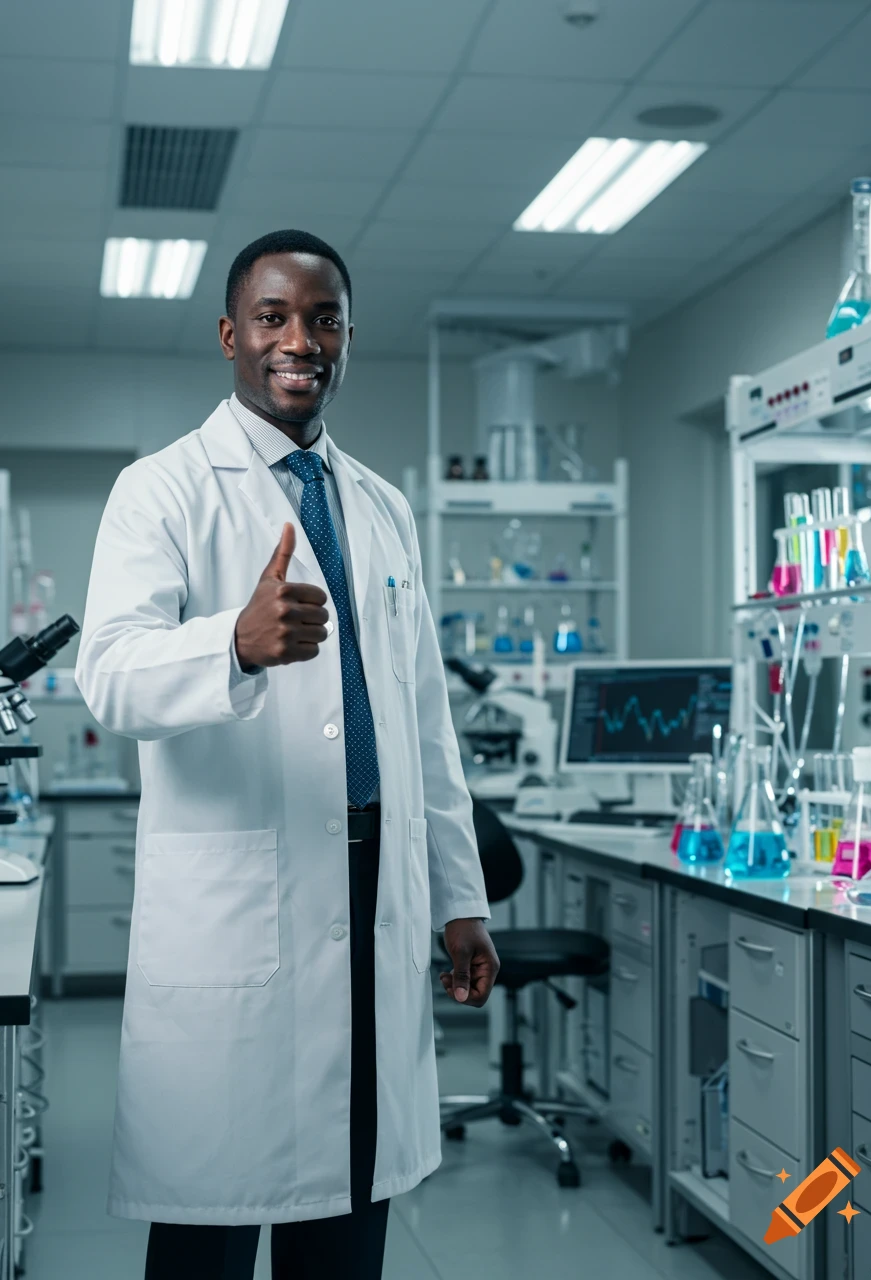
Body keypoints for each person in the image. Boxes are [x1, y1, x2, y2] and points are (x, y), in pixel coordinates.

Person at [76, 229, 500, 1280]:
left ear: (346, 339)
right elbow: (112, 675)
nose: (298, 340)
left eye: (322, 320)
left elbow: (421, 724)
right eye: (273, 317)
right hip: (240, 902)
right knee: (212, 1222)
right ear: (231, 334)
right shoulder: (162, 489)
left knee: (349, 1209)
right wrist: (233, 641)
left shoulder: (382, 506)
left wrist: (461, 896)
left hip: (373, 887)